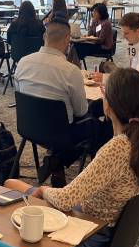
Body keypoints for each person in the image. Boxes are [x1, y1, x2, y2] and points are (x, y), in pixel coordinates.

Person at [5, 67, 139, 247]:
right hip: (115, 237)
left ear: (107, 105)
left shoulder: (117, 148)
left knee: (10, 188)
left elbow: (67, 198)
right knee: (14, 191)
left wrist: (42, 190)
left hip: (92, 235)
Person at [14, 21, 94, 186]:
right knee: (98, 127)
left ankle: (55, 159)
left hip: (28, 127)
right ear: (67, 40)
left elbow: (20, 92)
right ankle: (57, 161)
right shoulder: (71, 71)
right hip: (61, 133)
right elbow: (80, 111)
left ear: (44, 37)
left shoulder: (22, 62)